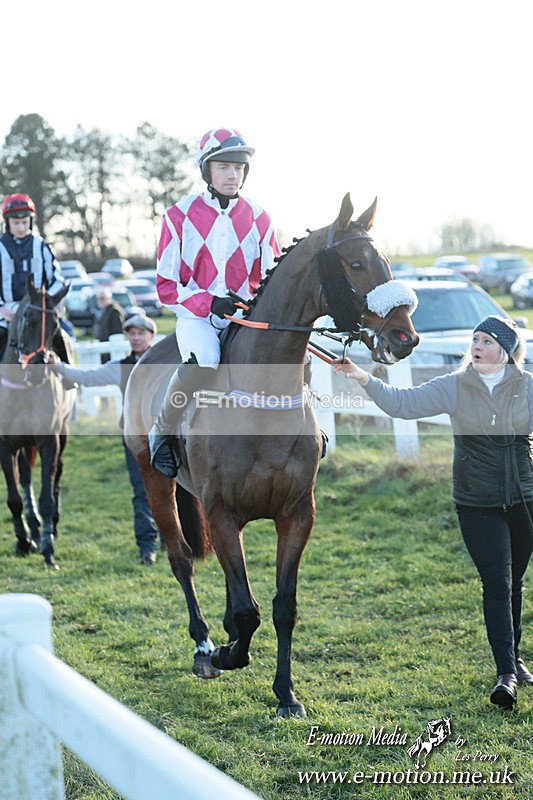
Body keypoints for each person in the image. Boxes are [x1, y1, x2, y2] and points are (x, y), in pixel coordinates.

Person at [334, 315, 533, 709]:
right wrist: (362, 376)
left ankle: (516, 659)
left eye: (487, 341)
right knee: (497, 581)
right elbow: (402, 404)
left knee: (514, 581)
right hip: (478, 503)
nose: (476, 346)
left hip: (526, 502)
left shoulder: (526, 388)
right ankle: (506, 674)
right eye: (474, 339)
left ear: (506, 353)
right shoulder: (455, 386)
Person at [148, 127, 281, 477]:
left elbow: (274, 277)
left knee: (285, 351)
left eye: (238, 168)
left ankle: (306, 426)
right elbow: (165, 286)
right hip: (198, 319)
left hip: (244, 317)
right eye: (223, 167)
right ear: (206, 170)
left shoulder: (260, 218)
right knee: (206, 359)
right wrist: (208, 303)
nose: (232, 175)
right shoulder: (177, 216)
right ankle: (162, 432)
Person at [49, 314, 161, 565]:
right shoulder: (119, 367)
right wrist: (59, 367)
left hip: (165, 437)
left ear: (151, 336)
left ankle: (173, 536)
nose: (135, 338)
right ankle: (147, 545)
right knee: (141, 491)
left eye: (140, 333)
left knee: (177, 489)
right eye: (131, 333)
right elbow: (87, 378)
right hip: (136, 440)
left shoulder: (165, 363)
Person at [0, 193, 70, 362]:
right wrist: (1, 309)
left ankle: (69, 378)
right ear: (7, 223)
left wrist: (48, 300)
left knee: (60, 336)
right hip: (6, 311)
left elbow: (57, 279)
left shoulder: (42, 247)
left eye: (25, 222)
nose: (21, 228)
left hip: (39, 308)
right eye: (16, 223)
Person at [94, 287, 125, 363]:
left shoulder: (114, 311)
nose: (100, 301)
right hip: (104, 349)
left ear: (109, 298)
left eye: (102, 298)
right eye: (98, 299)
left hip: (112, 351)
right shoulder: (105, 311)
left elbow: (117, 333)